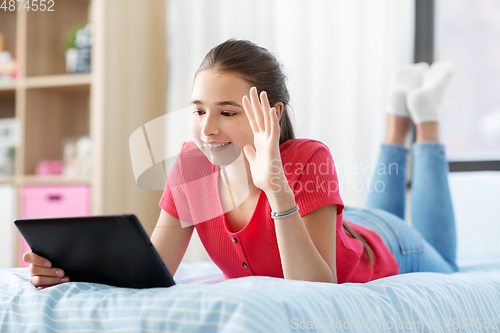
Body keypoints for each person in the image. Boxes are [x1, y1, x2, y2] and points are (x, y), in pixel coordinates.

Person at [23, 39, 458, 288]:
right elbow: (152, 271)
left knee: (450, 264)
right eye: (198, 111)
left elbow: (314, 289)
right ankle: (399, 117)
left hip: (384, 243)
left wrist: (276, 187)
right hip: (340, 220)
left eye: (227, 112)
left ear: (273, 114)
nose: (207, 128)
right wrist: (69, 273)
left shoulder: (308, 158)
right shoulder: (192, 167)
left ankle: (425, 120)